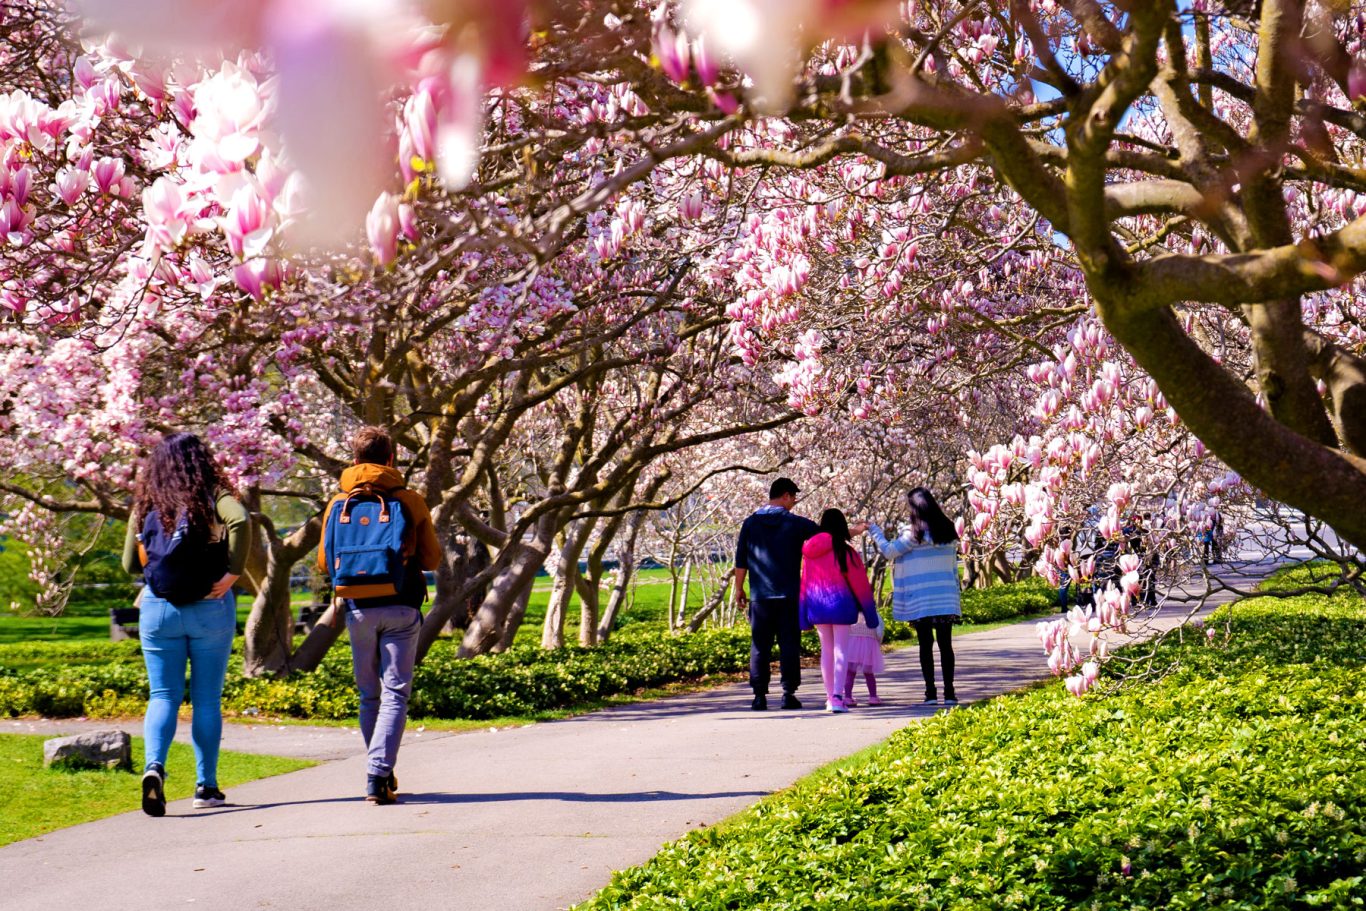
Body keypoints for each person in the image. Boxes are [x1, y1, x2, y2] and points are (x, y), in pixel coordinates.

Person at [123, 432, 249, 817]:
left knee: (163, 695)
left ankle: (154, 767)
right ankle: (206, 786)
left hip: (159, 609)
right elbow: (241, 520)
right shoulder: (212, 495)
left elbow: (130, 564)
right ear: (202, 461)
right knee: (207, 699)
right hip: (210, 605)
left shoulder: (148, 500)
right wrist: (233, 573)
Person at [319, 426, 440, 804]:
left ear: (354, 460)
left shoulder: (338, 502)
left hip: (356, 607)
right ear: (391, 459)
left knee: (369, 694)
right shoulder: (409, 499)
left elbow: (325, 562)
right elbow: (432, 559)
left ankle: (379, 770)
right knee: (396, 693)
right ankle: (378, 773)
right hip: (401, 603)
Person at [869, 487, 962, 705]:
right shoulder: (948, 531)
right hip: (945, 597)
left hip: (921, 599)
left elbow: (889, 551)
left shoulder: (914, 534)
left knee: (925, 644)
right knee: (945, 645)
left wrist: (874, 530)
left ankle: (930, 693)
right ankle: (950, 693)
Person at [733, 477, 820, 711]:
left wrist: (739, 588)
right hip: (788, 595)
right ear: (785, 496)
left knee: (760, 646)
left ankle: (759, 696)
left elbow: (741, 561)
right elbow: (825, 537)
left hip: (760, 597)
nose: (794, 502)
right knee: (789, 644)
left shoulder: (750, 524)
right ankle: (788, 693)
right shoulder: (797, 524)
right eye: (793, 497)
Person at [798, 509, 879, 713]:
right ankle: (837, 696)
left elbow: (804, 583)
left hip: (817, 605)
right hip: (841, 605)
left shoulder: (809, 552)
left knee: (826, 650)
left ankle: (829, 697)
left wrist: (802, 614)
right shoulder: (846, 551)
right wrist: (870, 615)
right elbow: (860, 585)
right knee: (840, 650)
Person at [841, 608, 885, 708]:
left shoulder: (850, 613)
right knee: (869, 673)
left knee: (850, 673)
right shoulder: (874, 614)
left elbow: (845, 630)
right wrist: (878, 642)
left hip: (852, 645)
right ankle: (873, 697)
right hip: (869, 646)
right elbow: (879, 631)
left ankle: (848, 697)